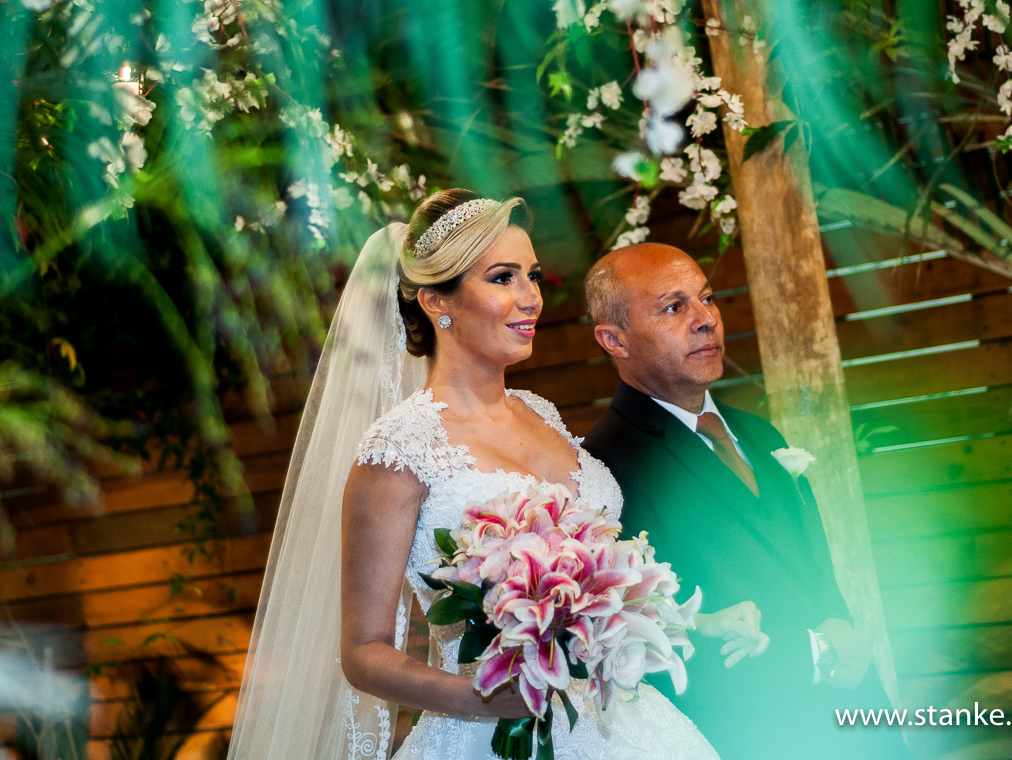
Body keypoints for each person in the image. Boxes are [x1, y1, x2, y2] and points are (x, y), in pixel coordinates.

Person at [227, 191, 758, 760]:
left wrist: (693, 623)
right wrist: (478, 696)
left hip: (623, 726)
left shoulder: (544, 415)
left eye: (531, 276)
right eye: (503, 278)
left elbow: (599, 593)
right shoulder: (400, 449)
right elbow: (364, 650)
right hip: (488, 737)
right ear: (437, 301)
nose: (531, 297)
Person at [580, 243, 910, 760]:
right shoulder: (605, 467)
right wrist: (815, 654)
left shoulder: (758, 432)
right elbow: (649, 643)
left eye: (707, 299)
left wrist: (850, 651)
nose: (705, 320)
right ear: (614, 339)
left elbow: (810, 572)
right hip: (748, 736)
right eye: (673, 307)